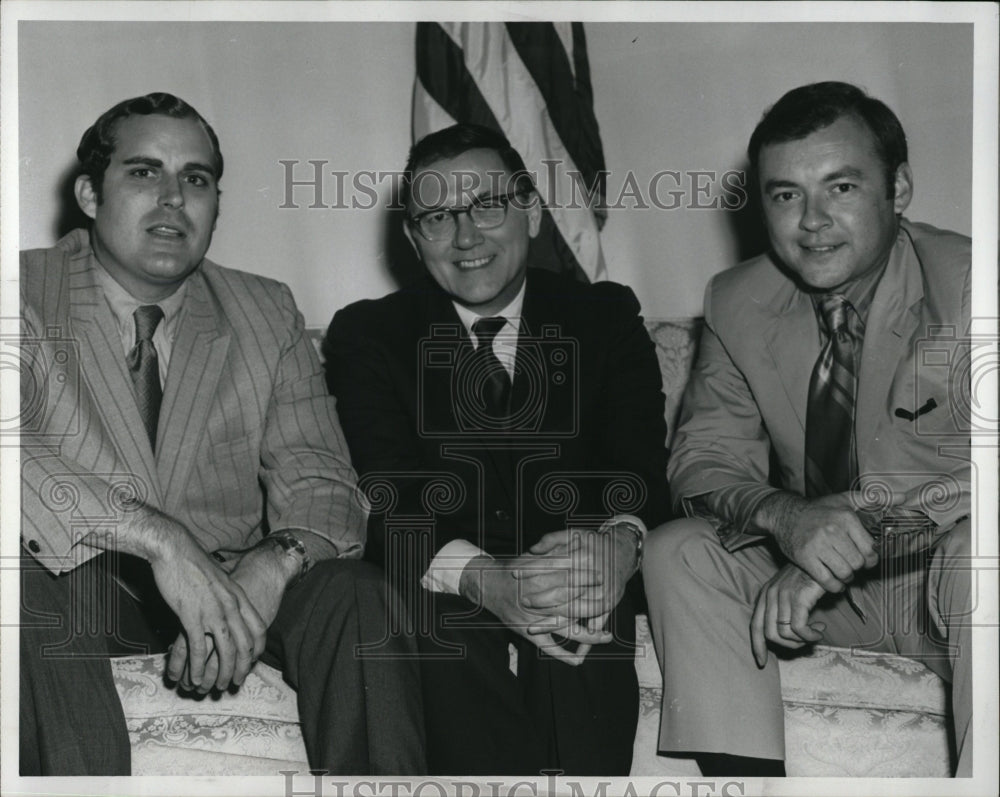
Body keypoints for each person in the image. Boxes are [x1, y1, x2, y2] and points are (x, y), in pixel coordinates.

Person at [19, 92, 425, 776]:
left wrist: (276, 560)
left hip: (238, 583)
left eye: (197, 179)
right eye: (144, 173)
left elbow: (323, 479)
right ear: (89, 193)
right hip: (76, 582)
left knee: (357, 594)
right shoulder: (21, 287)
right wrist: (160, 540)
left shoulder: (264, 308)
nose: (174, 199)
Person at [642, 82, 972, 776]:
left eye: (841, 187)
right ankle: (745, 783)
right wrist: (786, 518)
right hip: (825, 596)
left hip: (948, 584)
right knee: (681, 549)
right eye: (786, 194)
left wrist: (854, 539)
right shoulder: (737, 300)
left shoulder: (976, 283)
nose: (813, 222)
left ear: (900, 187)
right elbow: (701, 461)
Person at [324, 123, 671, 775]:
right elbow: (387, 493)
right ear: (412, 237)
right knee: (435, 622)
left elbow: (639, 470)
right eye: (437, 217)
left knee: (581, 605)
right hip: (448, 575)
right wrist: (489, 580)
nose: (465, 237)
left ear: (531, 212)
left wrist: (617, 546)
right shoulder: (371, 336)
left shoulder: (603, 317)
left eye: (487, 206)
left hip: (572, 566)